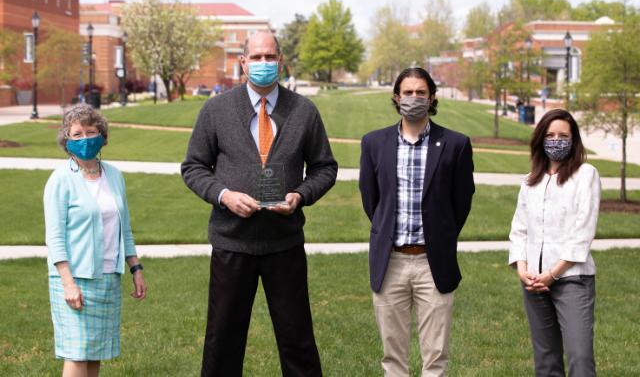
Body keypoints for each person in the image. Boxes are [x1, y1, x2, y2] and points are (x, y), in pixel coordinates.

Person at [181, 30, 337, 377]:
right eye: (256, 57)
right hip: (231, 242)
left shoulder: (304, 111)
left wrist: (301, 195)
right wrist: (224, 196)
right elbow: (193, 167)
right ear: (243, 63)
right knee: (223, 340)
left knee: (297, 339)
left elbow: (325, 168)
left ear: (281, 61)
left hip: (284, 243)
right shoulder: (217, 110)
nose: (264, 63)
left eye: (270, 57)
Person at [359, 67, 475, 376]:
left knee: (436, 355)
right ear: (396, 98)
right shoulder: (374, 143)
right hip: (390, 261)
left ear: (432, 97)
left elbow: (461, 201)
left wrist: (441, 233)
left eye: (420, 93)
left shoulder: (456, 144)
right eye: (407, 93)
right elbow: (371, 200)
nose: (414, 98)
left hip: (432, 261)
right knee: (392, 356)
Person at [44, 105, 147, 377]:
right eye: (76, 134)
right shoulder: (60, 179)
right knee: (77, 356)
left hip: (107, 279)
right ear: (66, 140)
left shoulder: (114, 176)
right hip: (74, 279)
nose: (84, 139)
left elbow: (125, 228)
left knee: (95, 355)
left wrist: (135, 268)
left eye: (91, 132)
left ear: (103, 136)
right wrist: (68, 283)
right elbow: (54, 237)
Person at [509, 108, 600, 377]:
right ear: (540, 139)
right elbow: (519, 230)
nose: (556, 140)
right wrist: (523, 269)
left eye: (563, 135)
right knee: (546, 361)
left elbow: (582, 232)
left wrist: (552, 274)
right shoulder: (530, 181)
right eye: (550, 135)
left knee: (580, 359)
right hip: (533, 282)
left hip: (572, 280)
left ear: (573, 140)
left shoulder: (586, 174)